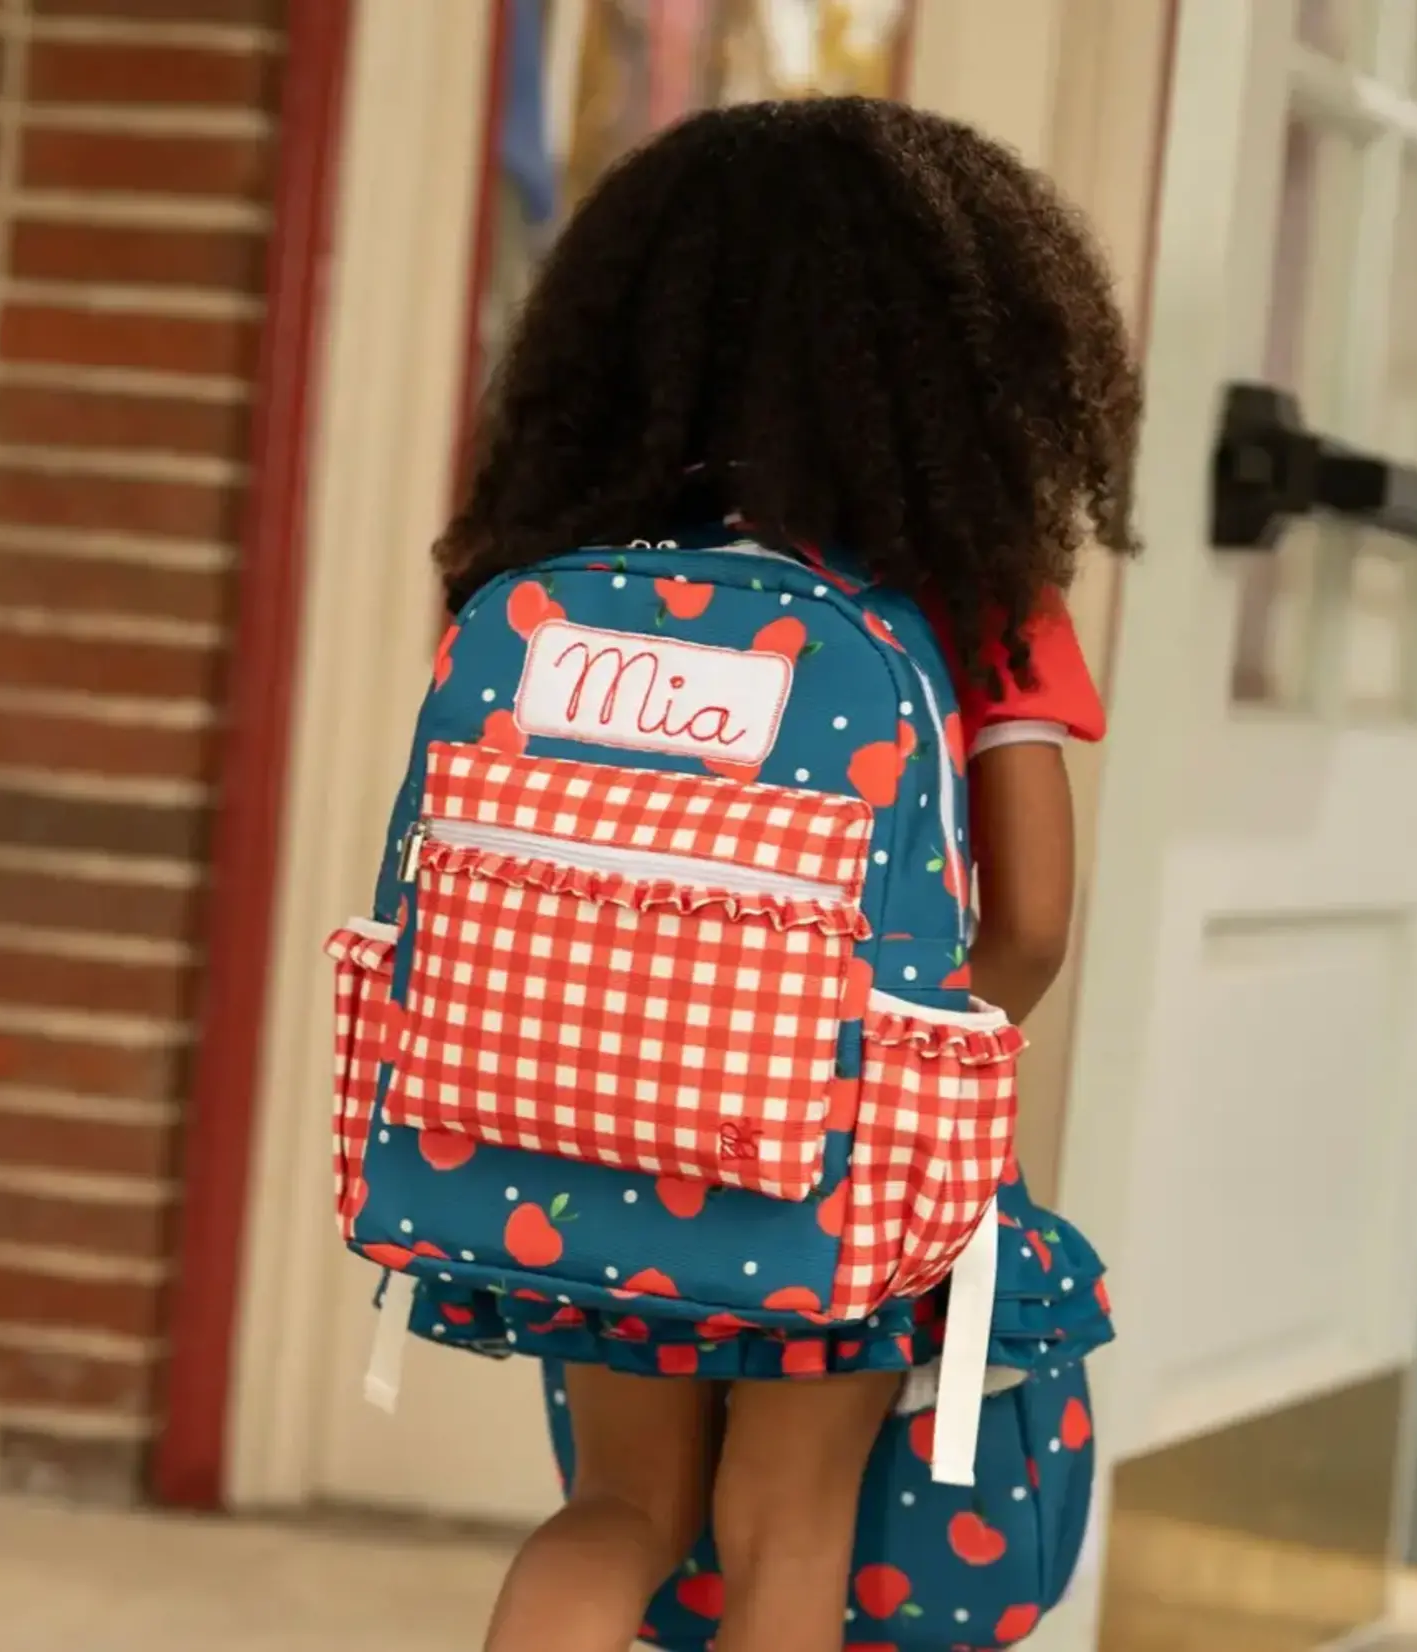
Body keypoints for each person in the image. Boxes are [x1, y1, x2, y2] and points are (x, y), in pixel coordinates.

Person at [428, 97, 1140, 1652]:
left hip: (579, 1130)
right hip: (833, 1162)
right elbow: (1027, 921)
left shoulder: (566, 567)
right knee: (785, 1529)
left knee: (616, 1512)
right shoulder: (969, 583)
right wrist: (883, 1070)